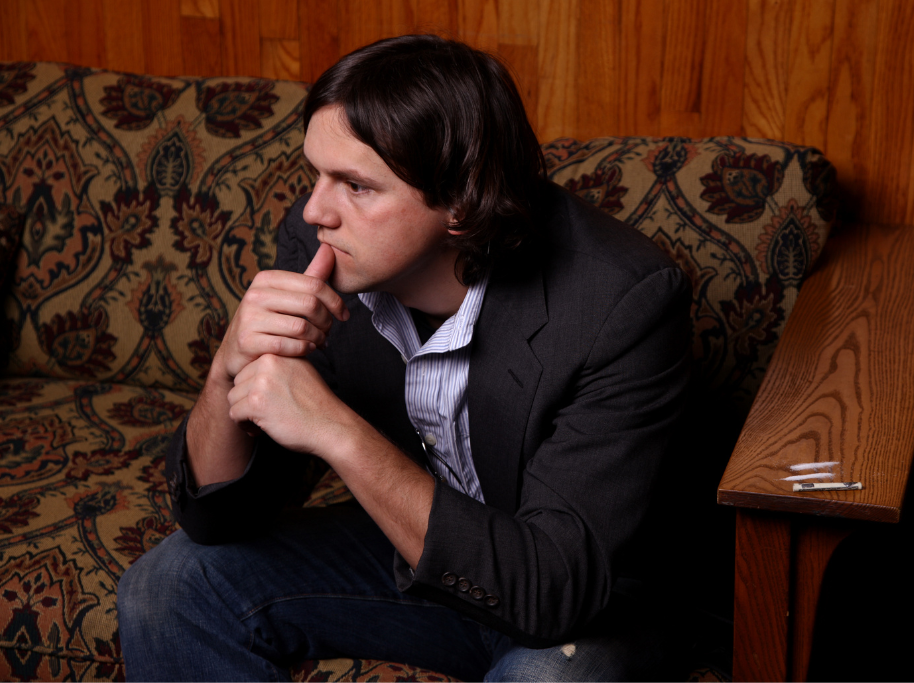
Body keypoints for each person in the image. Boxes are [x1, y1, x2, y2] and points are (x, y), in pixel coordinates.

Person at [117, 34, 693, 682]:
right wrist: (228, 366)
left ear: (463, 202)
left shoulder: (621, 301)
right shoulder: (320, 246)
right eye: (317, 174)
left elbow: (551, 593)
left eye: (357, 186)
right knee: (168, 586)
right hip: (411, 558)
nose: (315, 209)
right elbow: (218, 517)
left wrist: (338, 431)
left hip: (582, 599)